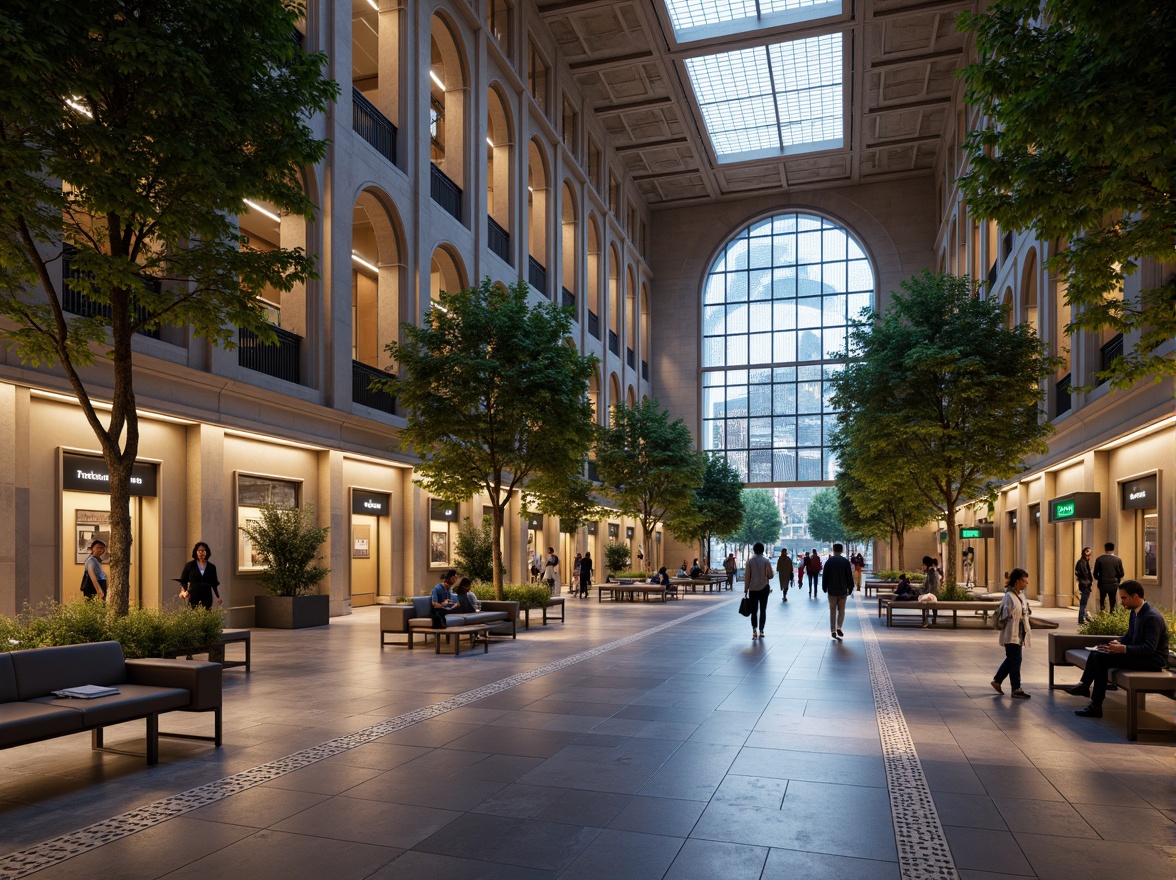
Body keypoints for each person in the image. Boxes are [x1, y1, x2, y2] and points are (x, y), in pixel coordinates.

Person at [1066, 580, 1170, 718]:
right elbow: (1129, 636)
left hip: (1152, 661)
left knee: (1101, 659)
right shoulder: (1135, 612)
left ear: (1135, 596)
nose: (1121, 602)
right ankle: (1084, 686)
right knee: (1098, 653)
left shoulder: (1151, 617)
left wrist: (1124, 649)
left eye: (1124, 598)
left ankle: (1095, 706)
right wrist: (1116, 643)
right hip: (1140, 655)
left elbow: (1150, 648)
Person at [991, 568, 1032, 699]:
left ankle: (997, 680)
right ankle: (1016, 688)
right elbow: (1005, 615)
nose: (1026, 583)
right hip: (1011, 633)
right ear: (1017, 581)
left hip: (1019, 633)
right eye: (1024, 581)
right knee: (1016, 659)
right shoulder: (1009, 596)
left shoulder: (1021, 595)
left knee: (1012, 659)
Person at [822, 543, 855, 641]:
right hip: (842, 590)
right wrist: (850, 587)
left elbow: (825, 576)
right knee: (841, 610)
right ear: (841, 550)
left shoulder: (829, 562)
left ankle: (833, 630)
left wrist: (825, 587)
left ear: (833, 550)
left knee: (832, 610)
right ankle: (839, 627)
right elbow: (849, 576)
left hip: (832, 591)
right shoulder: (845, 562)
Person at [179, 541, 222, 609]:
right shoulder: (189, 565)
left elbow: (214, 583)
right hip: (193, 595)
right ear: (196, 552)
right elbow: (183, 580)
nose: (201, 553)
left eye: (203, 551)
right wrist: (183, 591)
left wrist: (218, 597)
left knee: (206, 615)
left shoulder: (211, 567)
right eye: (199, 551)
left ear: (206, 553)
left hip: (207, 596)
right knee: (194, 615)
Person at [743, 542, 773, 639]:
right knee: (763, 609)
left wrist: (746, 589)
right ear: (763, 550)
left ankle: (754, 630)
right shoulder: (766, 561)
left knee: (754, 610)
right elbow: (771, 575)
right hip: (764, 587)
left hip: (753, 589)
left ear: (754, 550)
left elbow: (747, 576)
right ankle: (762, 630)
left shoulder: (750, 561)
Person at [1093, 542, 1123, 612]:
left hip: (1102, 583)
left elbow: (1095, 574)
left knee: (1102, 599)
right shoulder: (1118, 560)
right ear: (1113, 549)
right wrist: (1116, 579)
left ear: (1105, 549)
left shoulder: (1099, 559)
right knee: (1112, 600)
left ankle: (1102, 613)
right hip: (1113, 584)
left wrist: (1100, 578)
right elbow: (1121, 573)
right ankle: (1112, 613)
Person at [1074, 546, 1094, 624]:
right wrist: (1088, 581)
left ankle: (1084, 617)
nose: (1089, 557)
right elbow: (1084, 574)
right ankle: (1082, 618)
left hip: (1085, 584)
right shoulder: (1082, 563)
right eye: (1088, 555)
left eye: (1090, 555)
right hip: (1084, 584)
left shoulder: (1084, 562)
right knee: (1083, 603)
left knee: (1084, 602)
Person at [920, 555, 940, 627]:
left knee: (925, 604)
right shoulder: (931, 571)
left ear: (926, 565)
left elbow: (931, 585)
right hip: (933, 594)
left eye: (923, 564)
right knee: (932, 607)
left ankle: (926, 621)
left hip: (931, 595)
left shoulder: (931, 573)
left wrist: (926, 594)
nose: (922, 566)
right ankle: (933, 618)